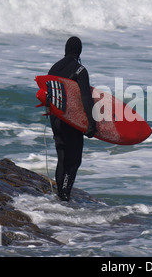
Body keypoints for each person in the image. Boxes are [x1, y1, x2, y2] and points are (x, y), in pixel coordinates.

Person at [48, 36, 97, 201]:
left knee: (62, 157)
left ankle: (59, 195)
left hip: (55, 118)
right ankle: (64, 195)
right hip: (71, 121)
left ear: (66, 49)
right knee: (74, 160)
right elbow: (85, 97)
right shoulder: (80, 70)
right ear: (79, 51)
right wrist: (92, 122)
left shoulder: (53, 69)